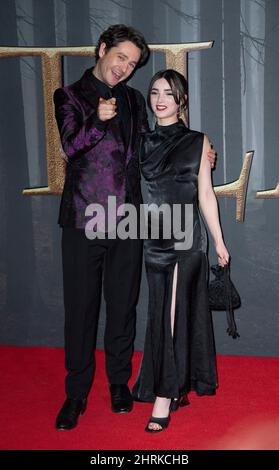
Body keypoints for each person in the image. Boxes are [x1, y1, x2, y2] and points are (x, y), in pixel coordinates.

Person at [53, 25, 217, 431]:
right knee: (81, 310)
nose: (124, 68)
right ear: (103, 49)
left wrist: (198, 153)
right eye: (120, 57)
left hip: (128, 219)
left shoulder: (131, 100)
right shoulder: (69, 96)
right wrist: (96, 118)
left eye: (132, 63)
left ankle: (118, 383)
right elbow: (70, 148)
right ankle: (76, 394)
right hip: (83, 218)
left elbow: (152, 147)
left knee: (123, 307)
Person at [132, 69, 229, 433]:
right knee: (162, 314)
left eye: (169, 94)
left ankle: (164, 394)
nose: (160, 100)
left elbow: (205, 194)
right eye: (155, 92)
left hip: (186, 240)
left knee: (170, 315)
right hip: (152, 238)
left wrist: (219, 241)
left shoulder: (198, 142)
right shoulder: (140, 141)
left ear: (182, 100)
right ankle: (172, 383)